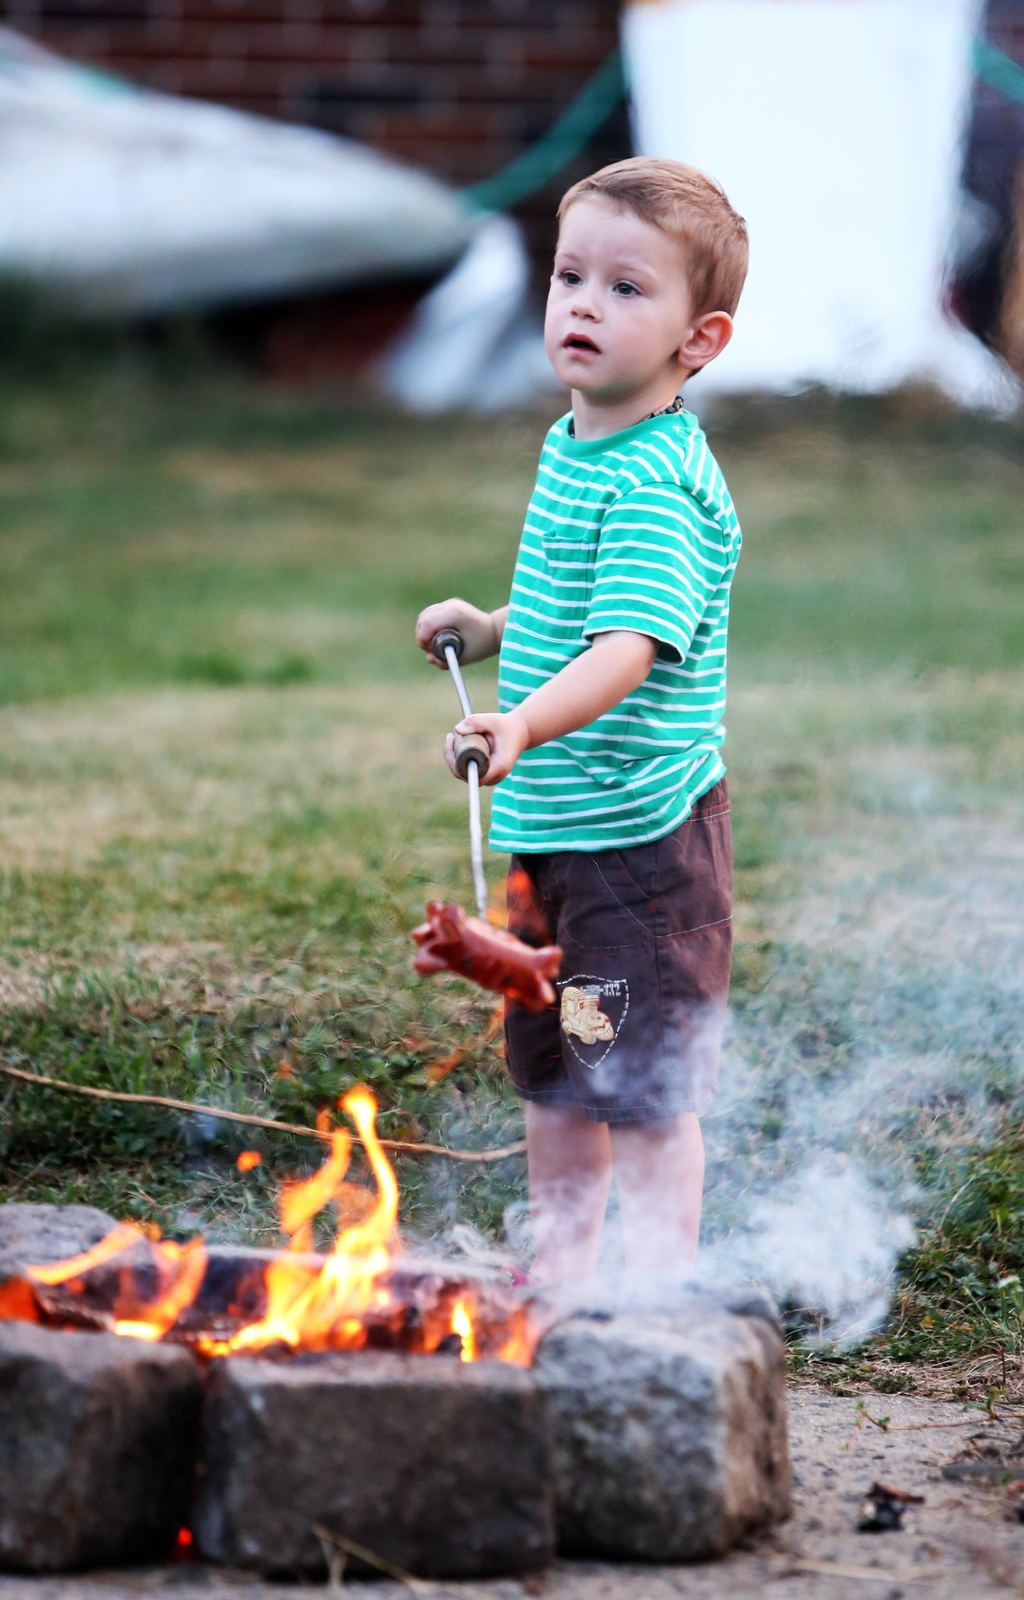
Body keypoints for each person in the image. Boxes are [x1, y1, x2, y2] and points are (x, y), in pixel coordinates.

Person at [416, 157, 748, 1285]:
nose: (584, 306)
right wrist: (496, 623)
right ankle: (560, 1278)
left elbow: (626, 649)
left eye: (625, 288)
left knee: (636, 1085)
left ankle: (655, 1299)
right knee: (555, 1071)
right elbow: (580, 609)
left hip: (634, 853)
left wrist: (519, 726)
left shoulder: (656, 479)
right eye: (570, 277)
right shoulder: (580, 446)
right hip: (562, 835)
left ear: (697, 341)